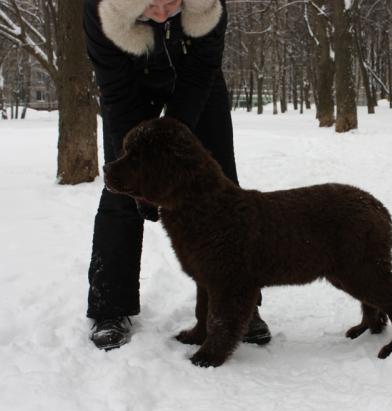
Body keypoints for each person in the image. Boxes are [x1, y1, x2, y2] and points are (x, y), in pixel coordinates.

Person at [84, 0, 271, 350]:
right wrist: (141, 184)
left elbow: (201, 72)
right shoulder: (102, 13)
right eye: (151, 4)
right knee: (121, 188)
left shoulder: (208, 7)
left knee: (222, 188)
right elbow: (115, 94)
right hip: (129, 87)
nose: (160, 13)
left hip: (196, 82)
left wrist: (174, 149)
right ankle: (109, 306)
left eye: (171, 2)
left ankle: (238, 305)